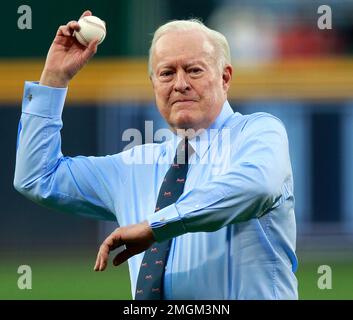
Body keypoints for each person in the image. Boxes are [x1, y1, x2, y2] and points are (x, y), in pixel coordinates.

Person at [14, 10, 298, 299]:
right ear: (154, 85)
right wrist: (54, 78)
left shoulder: (258, 132)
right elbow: (37, 177)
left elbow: (258, 186)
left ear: (225, 78)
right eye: (167, 73)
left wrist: (155, 226)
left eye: (194, 70)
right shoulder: (136, 166)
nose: (180, 84)